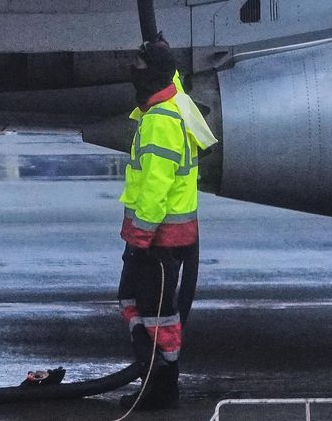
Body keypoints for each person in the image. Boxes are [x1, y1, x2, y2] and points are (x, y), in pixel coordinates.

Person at [117, 37, 217, 410]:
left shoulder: (160, 120)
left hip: (158, 238)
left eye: (140, 63)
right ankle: (153, 378)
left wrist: (141, 236)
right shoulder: (169, 105)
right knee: (135, 303)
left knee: (157, 314)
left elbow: (157, 186)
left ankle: (160, 386)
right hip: (155, 236)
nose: (134, 70)